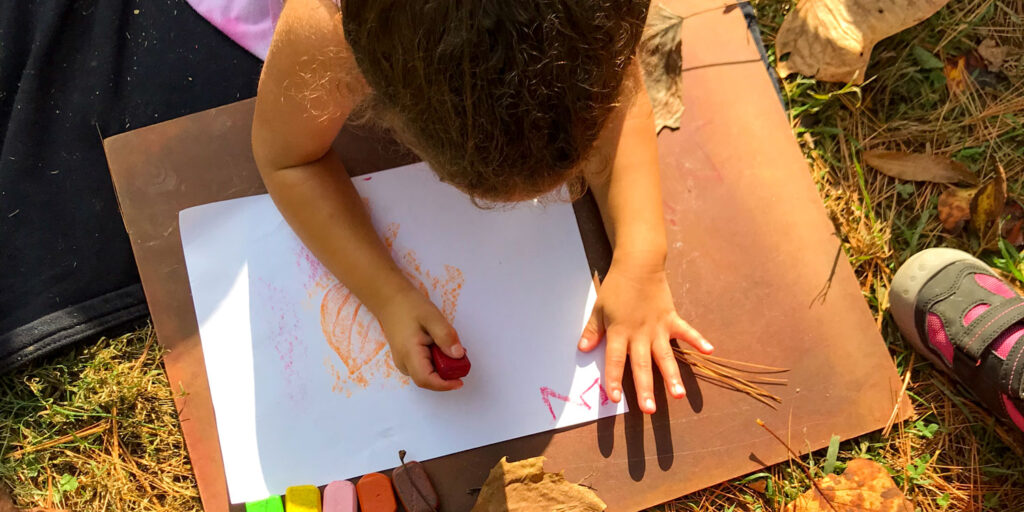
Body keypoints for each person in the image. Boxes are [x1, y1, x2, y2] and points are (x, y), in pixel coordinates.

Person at [252, 0, 714, 415]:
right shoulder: (326, 28)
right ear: (384, 103)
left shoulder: (584, 16)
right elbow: (287, 159)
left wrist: (642, 256)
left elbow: (619, 98)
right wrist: (386, 295)